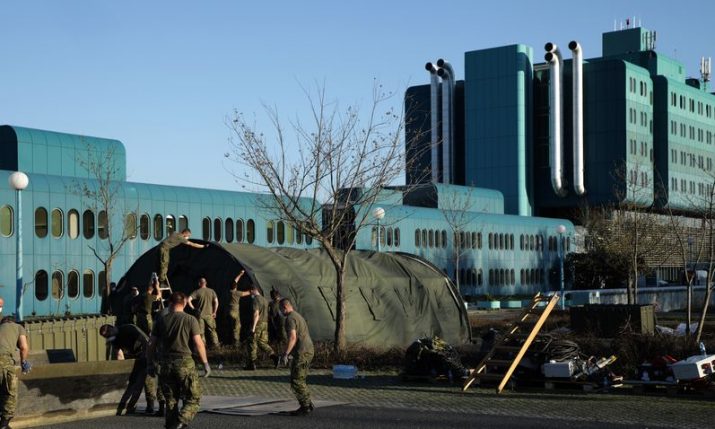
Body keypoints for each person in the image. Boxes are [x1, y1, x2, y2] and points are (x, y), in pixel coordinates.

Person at [148, 292, 210, 429]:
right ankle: (180, 421)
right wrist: (205, 363)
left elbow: (151, 343)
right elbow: (198, 343)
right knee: (194, 397)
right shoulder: (190, 320)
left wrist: (150, 363)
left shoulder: (161, 320)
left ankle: (171, 426)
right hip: (185, 363)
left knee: (170, 400)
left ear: (170, 303)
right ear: (184, 303)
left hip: (165, 364)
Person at [100, 323, 164, 416]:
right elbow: (119, 354)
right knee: (133, 381)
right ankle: (129, 405)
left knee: (148, 380)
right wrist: (123, 370)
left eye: (109, 335)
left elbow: (145, 342)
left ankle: (150, 406)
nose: (109, 338)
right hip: (133, 356)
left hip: (145, 352)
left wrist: (146, 358)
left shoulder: (129, 329)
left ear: (113, 329)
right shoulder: (113, 338)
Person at [278, 298, 314, 416]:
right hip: (307, 350)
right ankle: (307, 403)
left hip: (302, 352)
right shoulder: (297, 315)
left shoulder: (290, 319)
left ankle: (305, 406)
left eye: (280, 309)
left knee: (296, 380)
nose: (280, 312)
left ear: (285, 307)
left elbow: (292, 337)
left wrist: (286, 354)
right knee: (300, 378)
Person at [0, 298, 31, 429]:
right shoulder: (18, 327)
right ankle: (4, 424)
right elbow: (24, 347)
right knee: (10, 394)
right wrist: (24, 362)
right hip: (4, 361)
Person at [244, 284, 276, 370]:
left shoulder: (256, 300)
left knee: (252, 342)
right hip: (265, 323)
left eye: (251, 292)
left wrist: (253, 328)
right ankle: (274, 357)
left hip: (258, 323)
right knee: (262, 342)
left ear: (252, 290)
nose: (251, 294)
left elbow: (256, 314)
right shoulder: (265, 300)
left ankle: (252, 364)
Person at [187, 278, 220, 349]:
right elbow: (216, 302)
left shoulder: (197, 291)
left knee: (201, 332)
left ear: (199, 283)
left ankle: (202, 347)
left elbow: (188, 300)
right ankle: (216, 346)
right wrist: (215, 312)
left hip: (200, 315)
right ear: (206, 283)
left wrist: (193, 308)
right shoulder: (212, 291)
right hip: (210, 314)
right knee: (212, 330)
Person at [227, 271, 246, 346]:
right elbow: (247, 293)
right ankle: (236, 343)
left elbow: (234, 282)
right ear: (236, 287)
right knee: (237, 327)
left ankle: (230, 341)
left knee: (231, 327)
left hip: (229, 311)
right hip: (235, 312)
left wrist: (240, 274)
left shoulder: (230, 292)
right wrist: (253, 290)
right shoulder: (237, 293)